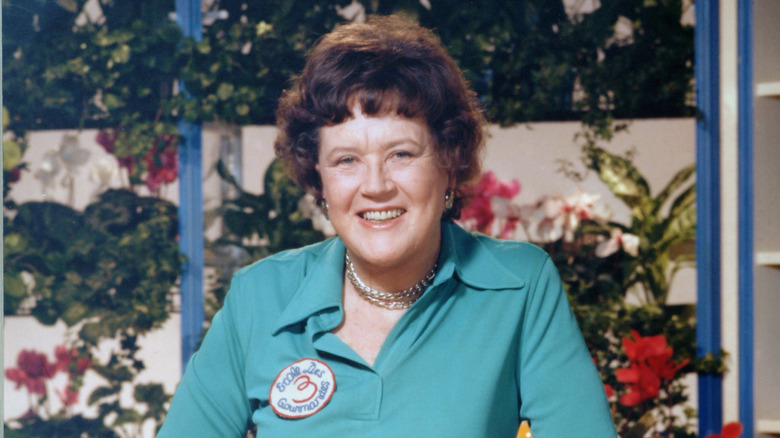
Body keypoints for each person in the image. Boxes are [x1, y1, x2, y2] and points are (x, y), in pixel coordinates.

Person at [159, 15, 615, 437]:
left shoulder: (519, 286)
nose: (375, 186)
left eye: (401, 154)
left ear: (449, 163)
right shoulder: (259, 297)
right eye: (347, 160)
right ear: (318, 177)